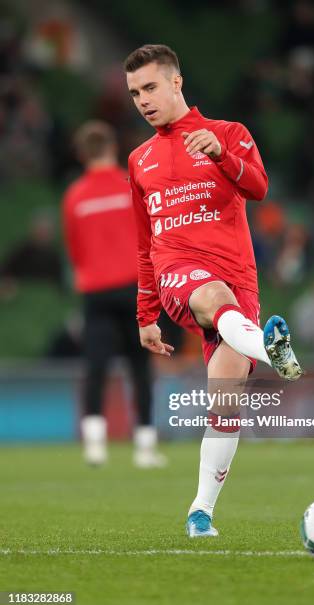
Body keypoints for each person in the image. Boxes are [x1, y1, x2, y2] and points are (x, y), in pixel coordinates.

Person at [124, 44, 303, 537]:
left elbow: (260, 188)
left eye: (151, 87)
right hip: (179, 272)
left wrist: (223, 156)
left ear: (176, 83)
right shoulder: (140, 160)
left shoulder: (228, 134)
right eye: (135, 93)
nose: (142, 100)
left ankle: (200, 511)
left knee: (224, 402)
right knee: (210, 295)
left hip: (238, 282)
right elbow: (145, 244)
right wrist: (146, 313)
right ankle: (270, 346)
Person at [62, 120, 166, 468]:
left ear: (80, 154)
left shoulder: (74, 195)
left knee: (96, 366)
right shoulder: (131, 183)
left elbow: (75, 251)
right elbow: (153, 232)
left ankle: (95, 446)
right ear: (113, 148)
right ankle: (145, 447)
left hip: (96, 291)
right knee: (140, 367)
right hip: (136, 287)